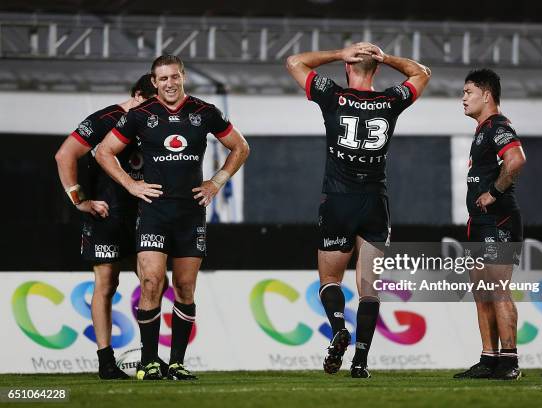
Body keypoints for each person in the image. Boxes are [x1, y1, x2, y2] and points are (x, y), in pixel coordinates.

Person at [96, 55, 249, 380]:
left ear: (183, 77)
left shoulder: (204, 112)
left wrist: (216, 182)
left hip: (191, 214)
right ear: (154, 82)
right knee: (151, 282)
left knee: (185, 287)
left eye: (174, 77)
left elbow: (241, 147)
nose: (169, 83)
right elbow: (102, 151)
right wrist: (131, 184)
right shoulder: (140, 115)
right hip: (154, 212)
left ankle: (177, 362)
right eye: (162, 78)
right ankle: (149, 362)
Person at [286, 42, 430, 378]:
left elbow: (294, 61)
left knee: (330, 279)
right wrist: (387, 58)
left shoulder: (332, 95)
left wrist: (338, 53)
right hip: (374, 203)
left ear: (350, 66)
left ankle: (338, 329)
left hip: (338, 200)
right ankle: (361, 361)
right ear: (376, 70)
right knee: (369, 287)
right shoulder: (390, 101)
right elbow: (422, 73)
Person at [55, 74, 163, 379]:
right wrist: (80, 201)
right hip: (107, 213)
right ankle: (106, 360)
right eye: (152, 101)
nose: (158, 109)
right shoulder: (105, 119)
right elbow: (64, 155)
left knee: (154, 281)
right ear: (138, 95)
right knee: (107, 284)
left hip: (145, 213)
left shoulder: (157, 121)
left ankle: (150, 357)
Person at [454, 68, 526, 380]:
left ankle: (509, 361)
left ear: (486, 94)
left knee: (497, 290)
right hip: (479, 222)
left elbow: (517, 160)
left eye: (468, 92)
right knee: (482, 292)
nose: (463, 98)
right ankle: (488, 359)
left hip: (498, 220)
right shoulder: (482, 130)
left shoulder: (498, 125)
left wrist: (493, 193)